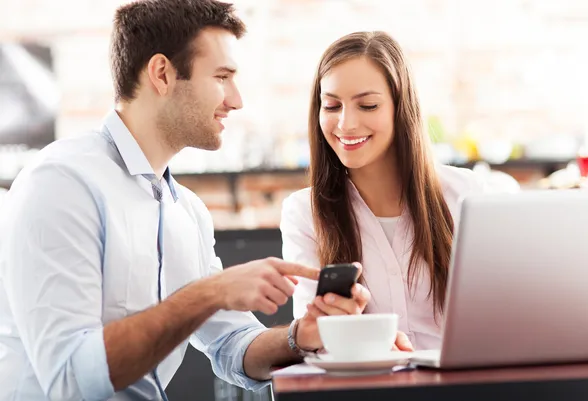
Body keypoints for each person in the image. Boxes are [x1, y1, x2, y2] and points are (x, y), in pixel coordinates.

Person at [0, 1, 371, 400]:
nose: (236, 99)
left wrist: (299, 337)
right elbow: (72, 377)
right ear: (162, 74)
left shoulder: (187, 212)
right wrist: (210, 293)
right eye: (222, 76)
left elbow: (231, 345)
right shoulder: (63, 184)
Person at [281, 31, 489, 351]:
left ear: (400, 108)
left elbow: (499, 315)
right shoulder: (304, 213)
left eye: (367, 105)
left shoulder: (464, 194)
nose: (346, 124)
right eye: (332, 106)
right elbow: (312, 339)